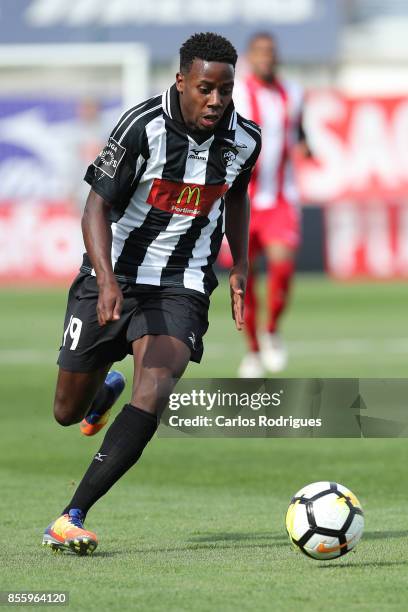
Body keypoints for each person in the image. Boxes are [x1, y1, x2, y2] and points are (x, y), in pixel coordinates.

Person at [42, 32, 261, 555]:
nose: (216, 101)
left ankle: (72, 515)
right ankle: (100, 394)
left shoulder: (245, 139)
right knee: (66, 412)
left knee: (157, 387)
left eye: (225, 90)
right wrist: (108, 280)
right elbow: (95, 206)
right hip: (111, 273)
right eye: (206, 88)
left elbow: (237, 196)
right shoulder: (143, 127)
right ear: (181, 80)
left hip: (182, 282)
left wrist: (241, 264)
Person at [233, 32, 311, 377]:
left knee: (282, 267)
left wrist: (308, 148)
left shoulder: (293, 93)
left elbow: (300, 133)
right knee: (243, 279)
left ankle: (272, 330)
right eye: (260, 52)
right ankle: (251, 351)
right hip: (242, 201)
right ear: (250, 57)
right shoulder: (235, 92)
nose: (267, 57)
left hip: (280, 199)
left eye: (271, 52)